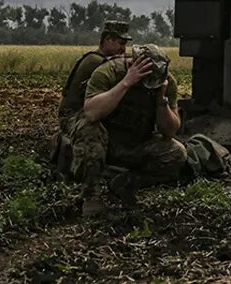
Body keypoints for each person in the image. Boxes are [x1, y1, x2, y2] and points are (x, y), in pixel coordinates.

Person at [79, 43, 186, 216]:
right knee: (89, 129)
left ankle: (125, 183)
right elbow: (91, 113)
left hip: (137, 142)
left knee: (177, 152)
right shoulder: (108, 73)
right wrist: (126, 83)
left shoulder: (166, 82)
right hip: (107, 141)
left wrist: (161, 102)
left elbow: (170, 132)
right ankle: (92, 195)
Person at [53, 20, 132, 185]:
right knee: (93, 129)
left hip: (82, 110)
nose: (123, 49)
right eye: (121, 43)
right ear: (108, 39)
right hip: (72, 115)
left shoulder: (97, 59)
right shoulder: (98, 63)